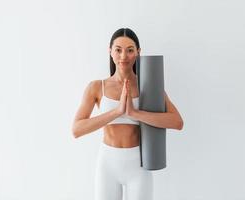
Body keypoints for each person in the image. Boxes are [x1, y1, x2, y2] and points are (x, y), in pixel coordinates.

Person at [72, 28, 184, 200]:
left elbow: (177, 122)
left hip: (138, 165)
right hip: (107, 164)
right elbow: (76, 129)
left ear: (138, 53)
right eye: (118, 50)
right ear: (110, 51)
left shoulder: (149, 86)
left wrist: (134, 113)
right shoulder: (96, 87)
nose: (123, 56)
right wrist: (117, 112)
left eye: (130, 50)